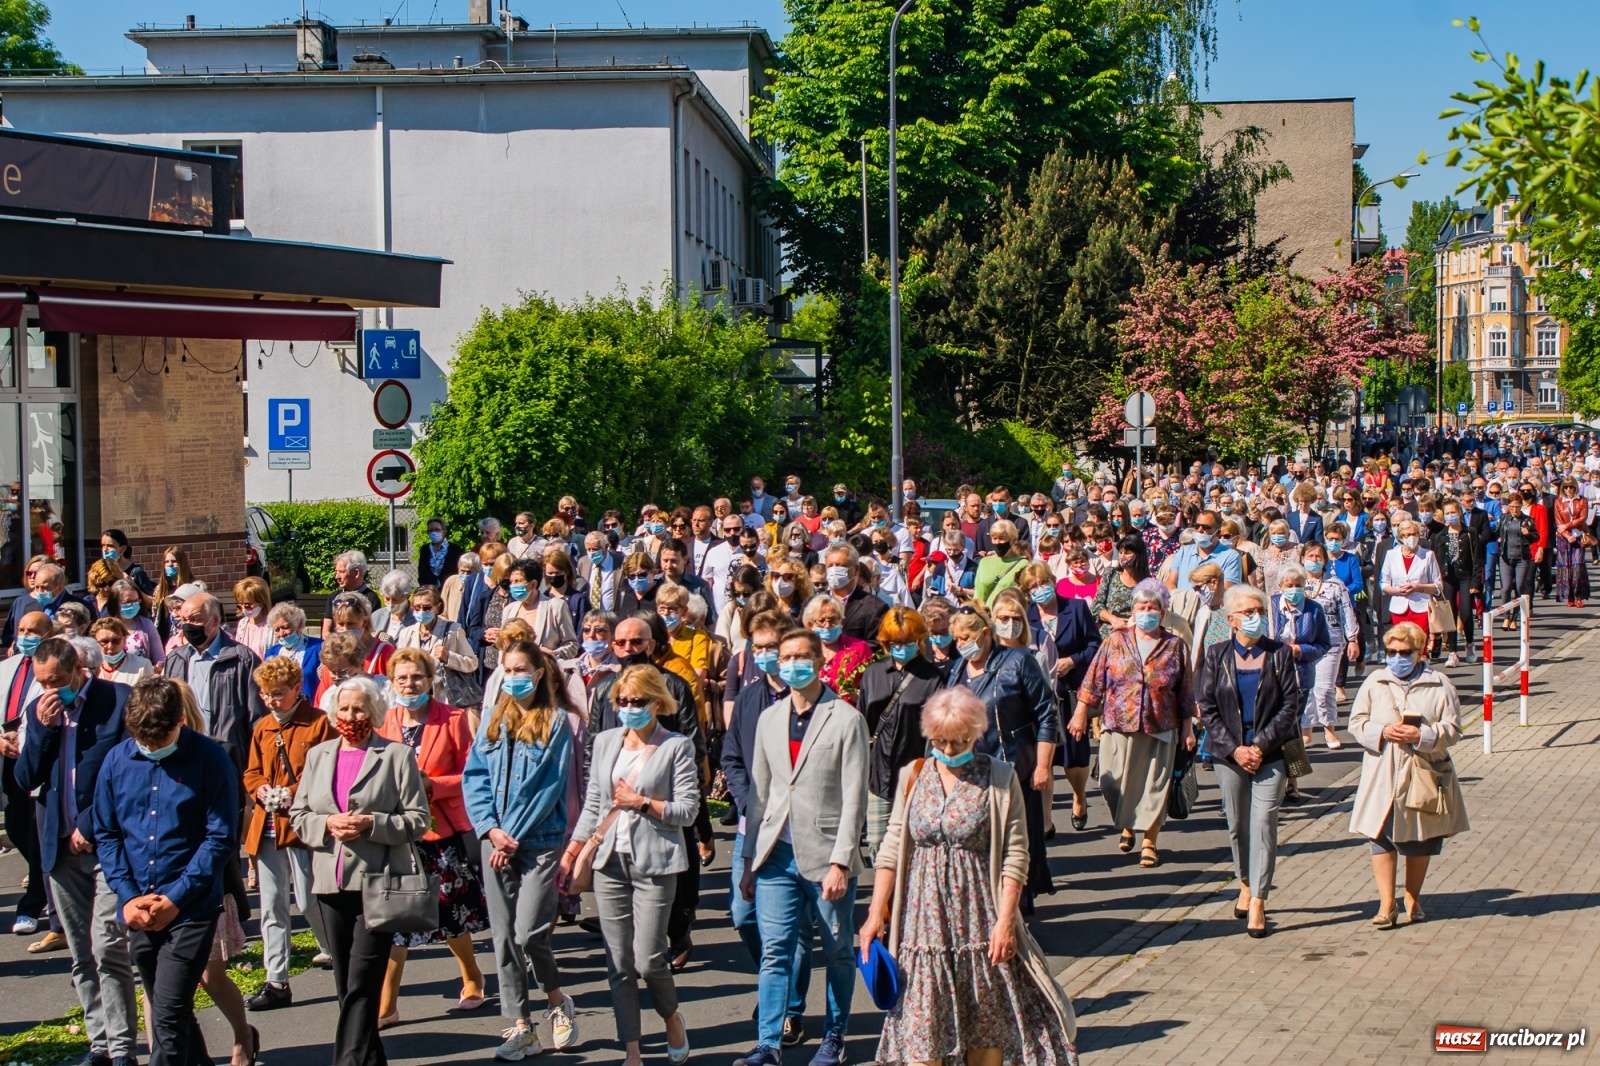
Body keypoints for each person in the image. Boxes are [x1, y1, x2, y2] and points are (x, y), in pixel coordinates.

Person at [861, 687, 1081, 1066]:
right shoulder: (913, 775)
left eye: (958, 741)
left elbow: (1016, 852)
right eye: (941, 741)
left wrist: (1007, 922)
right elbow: (892, 846)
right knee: (920, 1033)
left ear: (976, 734)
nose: (948, 750)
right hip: (922, 925)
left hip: (978, 919)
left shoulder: (998, 775)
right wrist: (874, 913)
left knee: (985, 1028)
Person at [736, 628, 868, 1066]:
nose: (791, 663)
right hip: (777, 854)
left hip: (826, 853)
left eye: (801, 656)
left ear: (818, 662)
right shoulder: (769, 718)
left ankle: (835, 1034)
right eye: (785, 655)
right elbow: (761, 792)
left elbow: (855, 797)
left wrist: (842, 861)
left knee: (836, 948)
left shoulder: (845, 718)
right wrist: (750, 858)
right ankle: (768, 1043)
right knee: (775, 950)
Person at [93, 677, 240, 1066]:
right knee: (170, 1009)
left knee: (168, 1016)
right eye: (145, 741)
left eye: (160, 740)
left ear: (180, 721)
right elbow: (106, 833)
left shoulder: (210, 758)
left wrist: (175, 899)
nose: (152, 749)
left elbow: (220, 837)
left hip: (191, 906)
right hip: (139, 905)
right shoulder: (117, 760)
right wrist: (127, 898)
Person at [559, 665, 698, 1066]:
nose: (629, 708)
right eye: (623, 701)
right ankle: (632, 1050)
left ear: (657, 703)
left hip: (655, 862)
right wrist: (572, 852)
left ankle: (671, 1018)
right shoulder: (605, 741)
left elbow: (687, 811)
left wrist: (642, 803)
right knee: (618, 962)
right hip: (609, 862)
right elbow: (594, 805)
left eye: (639, 701)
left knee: (649, 958)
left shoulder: (676, 747)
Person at [289, 675, 431, 1066]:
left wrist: (372, 823)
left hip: (378, 882)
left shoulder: (397, 755)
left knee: (362, 981)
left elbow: (418, 820)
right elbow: (299, 816)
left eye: (359, 708)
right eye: (344, 708)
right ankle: (370, 1059)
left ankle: (347, 1062)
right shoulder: (319, 756)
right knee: (345, 984)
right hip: (330, 881)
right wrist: (326, 825)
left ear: (373, 711)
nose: (351, 715)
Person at [14, 637, 140, 1066]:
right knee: (82, 954)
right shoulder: (39, 711)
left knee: (108, 946)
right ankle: (99, 1044)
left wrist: (90, 823)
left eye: (57, 681)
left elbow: (129, 773)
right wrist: (42, 732)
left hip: (106, 845)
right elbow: (25, 776)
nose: (50, 690)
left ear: (78, 670)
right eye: (41, 682)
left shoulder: (117, 701)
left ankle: (123, 1048)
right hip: (58, 847)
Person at [462, 640, 581, 1059]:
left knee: (528, 932)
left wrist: (509, 835)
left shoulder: (557, 723)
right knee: (503, 938)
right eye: (506, 669)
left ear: (537, 673)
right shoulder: (492, 719)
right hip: (494, 842)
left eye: (519, 669)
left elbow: (546, 787)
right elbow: (474, 777)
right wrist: (490, 829)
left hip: (539, 841)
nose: (512, 677)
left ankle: (556, 1001)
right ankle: (520, 1026)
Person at [373, 649, 489, 1026]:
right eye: (402, 678)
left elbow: (472, 774)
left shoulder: (453, 719)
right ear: (392, 682)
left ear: (430, 679)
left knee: (449, 913)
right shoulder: (384, 722)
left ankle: (471, 975)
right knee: (395, 915)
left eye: (417, 677)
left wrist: (431, 785)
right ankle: (387, 1001)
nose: (410, 685)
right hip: (398, 834)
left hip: (441, 831)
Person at [1196, 585, 1301, 938]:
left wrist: (1258, 745)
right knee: (1238, 825)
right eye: (1248, 612)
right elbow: (1207, 706)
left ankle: (1258, 898)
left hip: (1270, 753)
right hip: (1229, 755)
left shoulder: (1280, 654)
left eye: (1259, 610)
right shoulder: (1217, 654)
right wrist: (1234, 748)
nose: (1255, 617)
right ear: (1231, 620)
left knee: (1264, 824)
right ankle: (1244, 879)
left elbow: (1291, 705)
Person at [1348, 622, 1469, 927]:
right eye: (1391, 651)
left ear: (1419, 652)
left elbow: (1453, 730)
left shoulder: (1440, 684)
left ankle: (1412, 897)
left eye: (1404, 652)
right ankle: (1386, 904)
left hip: (1422, 773)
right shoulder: (1375, 682)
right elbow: (1356, 722)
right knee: (1380, 837)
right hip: (1381, 772)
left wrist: (1420, 735)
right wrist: (1382, 731)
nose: (1396, 657)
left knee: (1418, 839)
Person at [1070, 580, 1197, 868]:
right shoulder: (1115, 640)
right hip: (1118, 722)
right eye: (1142, 607)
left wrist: (1188, 728)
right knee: (1110, 782)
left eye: (1153, 608)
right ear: (1133, 610)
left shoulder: (1175, 645)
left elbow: (1187, 691)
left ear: (1163, 613)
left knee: (1154, 787)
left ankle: (1150, 842)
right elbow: (1093, 680)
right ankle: (1128, 824)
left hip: (1160, 726)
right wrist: (1080, 712)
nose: (1147, 612)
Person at [946, 606, 1058, 901]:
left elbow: (1046, 715)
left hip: (1011, 769)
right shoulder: (957, 669)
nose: (961, 644)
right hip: (969, 773)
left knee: (1012, 846)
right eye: (956, 639)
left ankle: (1014, 913)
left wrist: (1043, 765)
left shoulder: (1018, 661)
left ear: (985, 632)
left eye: (966, 637)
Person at [242, 655, 335, 1012]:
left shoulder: (318, 724)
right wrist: (261, 788)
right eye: (265, 694)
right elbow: (251, 772)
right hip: (266, 827)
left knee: (310, 900)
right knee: (272, 905)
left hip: (302, 825)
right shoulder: (263, 726)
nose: (270, 700)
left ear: (298, 688)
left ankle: (332, 950)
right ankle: (276, 980)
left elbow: (324, 770)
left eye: (278, 693)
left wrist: (293, 792)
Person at [857, 607, 945, 857]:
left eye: (907, 641)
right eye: (894, 641)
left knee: (913, 847)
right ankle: (885, 896)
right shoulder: (873, 674)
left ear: (919, 641)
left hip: (916, 775)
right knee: (876, 844)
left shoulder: (933, 678)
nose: (901, 647)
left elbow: (936, 731)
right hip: (878, 775)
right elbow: (863, 722)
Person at [1020, 563, 1100, 835]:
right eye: (1032, 587)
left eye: (1043, 583)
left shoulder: (1076, 609)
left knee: (1074, 757)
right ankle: (1046, 820)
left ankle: (1079, 794)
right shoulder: (1027, 616)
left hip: (1070, 693)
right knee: (1044, 758)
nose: (1039, 590)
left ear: (1053, 581)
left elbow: (1094, 645)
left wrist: (1073, 661)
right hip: (1039, 697)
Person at [164, 591, 266, 773]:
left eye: (195, 620)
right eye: (184, 620)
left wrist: (255, 768)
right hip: (184, 754)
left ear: (216, 621)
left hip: (227, 756)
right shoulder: (175, 658)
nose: (188, 626)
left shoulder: (243, 659)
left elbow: (258, 718)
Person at [0, 611, 50, 935]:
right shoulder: (6, 668)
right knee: (16, 825)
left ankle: (31, 903)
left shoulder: (51, 668)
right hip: (7, 754)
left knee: (35, 829)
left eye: (33, 630)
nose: (25, 635)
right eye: (21, 629)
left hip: (35, 754)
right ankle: (39, 880)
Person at [1298, 545, 1359, 748]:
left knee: (1324, 689)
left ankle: (1329, 729)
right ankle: (1306, 731)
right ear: (1302, 558)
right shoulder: (1295, 583)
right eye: (1310, 555)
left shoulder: (1335, 584)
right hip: (1303, 643)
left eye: (1318, 556)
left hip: (1331, 641)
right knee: (1306, 688)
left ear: (1325, 560)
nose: (1314, 559)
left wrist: (1352, 639)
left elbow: (1346, 612)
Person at [396, 585, 482, 716]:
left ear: (437, 607)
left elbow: (472, 663)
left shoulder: (453, 630)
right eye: (417, 607)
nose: (421, 612)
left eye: (426, 607)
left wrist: (449, 657)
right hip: (416, 698)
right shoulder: (406, 633)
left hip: (445, 699)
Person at [1431, 500, 1484, 667]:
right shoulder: (1440, 535)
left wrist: (1476, 581)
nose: (1450, 516)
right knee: (1448, 614)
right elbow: (1436, 560)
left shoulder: (1470, 533)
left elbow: (1478, 559)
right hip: (1447, 577)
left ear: (1459, 513)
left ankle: (1469, 643)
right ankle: (1453, 652)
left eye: (1453, 512)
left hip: (1466, 576)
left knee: (1466, 612)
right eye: (1447, 513)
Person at [802, 592, 874, 704]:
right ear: (810, 625)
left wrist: (859, 696)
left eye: (832, 620)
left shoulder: (859, 648)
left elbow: (873, 689)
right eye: (821, 621)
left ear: (841, 621)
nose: (827, 625)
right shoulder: (803, 650)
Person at [501, 559, 580, 661]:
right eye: (511, 582)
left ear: (533, 584)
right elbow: (503, 648)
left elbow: (572, 645)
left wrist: (553, 655)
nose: (513, 586)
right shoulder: (509, 609)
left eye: (518, 581)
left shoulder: (555, 607)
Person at [1379, 518, 1441, 634]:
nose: (1411, 538)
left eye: (1414, 534)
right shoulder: (1391, 555)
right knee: (1402, 646)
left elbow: (1438, 586)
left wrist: (1419, 587)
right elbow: (1384, 583)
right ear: (1401, 537)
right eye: (1407, 535)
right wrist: (1396, 590)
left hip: (1421, 608)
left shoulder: (1428, 555)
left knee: (1419, 646)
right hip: (1398, 609)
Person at [822, 542, 888, 649]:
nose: (834, 570)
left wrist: (846, 655)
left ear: (856, 569)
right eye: (830, 566)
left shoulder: (875, 607)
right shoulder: (814, 603)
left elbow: (878, 645)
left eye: (840, 565)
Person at [1091, 534, 1150, 638]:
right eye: (1121, 552)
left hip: (1137, 634)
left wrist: (1131, 624)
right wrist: (1114, 620)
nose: (1122, 556)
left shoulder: (1149, 582)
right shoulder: (1111, 573)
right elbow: (1096, 606)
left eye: (1127, 553)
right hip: (1109, 633)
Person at [1496, 491, 1539, 629]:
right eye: (1512, 506)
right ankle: (1506, 617)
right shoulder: (1504, 518)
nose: (1514, 510)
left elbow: (1536, 537)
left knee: (1519, 586)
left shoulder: (1527, 520)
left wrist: (1529, 534)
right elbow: (1496, 531)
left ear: (1521, 506)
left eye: (1517, 506)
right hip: (1506, 557)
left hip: (1522, 558)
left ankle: (1515, 618)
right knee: (1506, 588)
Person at [265, 603, 324, 700]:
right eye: (277, 629)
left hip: (310, 707)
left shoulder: (319, 647)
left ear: (299, 625)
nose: (281, 633)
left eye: (285, 627)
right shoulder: (271, 653)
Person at [321, 551, 382, 638]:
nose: (336, 577)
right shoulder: (334, 597)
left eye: (341, 572)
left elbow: (372, 632)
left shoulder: (371, 598)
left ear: (356, 573)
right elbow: (325, 632)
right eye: (336, 571)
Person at [111, 579, 166, 667]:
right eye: (128, 602)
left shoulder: (146, 624)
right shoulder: (106, 626)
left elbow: (160, 659)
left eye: (136, 601)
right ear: (115, 602)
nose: (133, 605)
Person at [973, 519, 1029, 605]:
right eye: (994, 538)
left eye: (1002, 538)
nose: (997, 542)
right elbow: (977, 593)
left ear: (1013, 540)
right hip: (983, 616)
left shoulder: (1023, 564)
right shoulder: (984, 562)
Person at [1554, 477, 1590, 607]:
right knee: (1565, 567)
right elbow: (1558, 521)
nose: (1568, 489)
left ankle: (1578, 595)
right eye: (1566, 487)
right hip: (1563, 538)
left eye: (1571, 487)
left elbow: (1582, 518)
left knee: (1577, 567)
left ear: (1575, 487)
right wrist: (1567, 534)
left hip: (1579, 536)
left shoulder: (1582, 500)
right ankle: (1568, 596)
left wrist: (1567, 526)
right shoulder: (1558, 501)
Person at [90, 618, 155, 686]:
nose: (110, 646)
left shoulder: (142, 665)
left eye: (116, 641)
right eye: (104, 642)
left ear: (124, 640)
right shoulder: (90, 666)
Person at [100, 529, 154, 595]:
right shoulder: (102, 570)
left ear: (123, 549)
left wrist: (133, 585)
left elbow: (151, 600)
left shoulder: (137, 572)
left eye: (110, 546)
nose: (105, 550)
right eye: (103, 545)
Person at [417, 517, 465, 589]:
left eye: (437, 530)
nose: (433, 532)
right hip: (429, 590)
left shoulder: (456, 550)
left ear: (444, 531)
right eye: (431, 530)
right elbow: (422, 571)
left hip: (449, 589)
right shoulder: (425, 550)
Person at [232, 577, 274, 658]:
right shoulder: (242, 624)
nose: (244, 608)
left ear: (262, 601)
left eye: (248, 605)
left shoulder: (272, 626)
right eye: (241, 604)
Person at [371, 570, 418, 642]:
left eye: (395, 599)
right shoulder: (376, 616)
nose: (390, 603)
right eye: (387, 598)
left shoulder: (417, 619)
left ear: (407, 597)